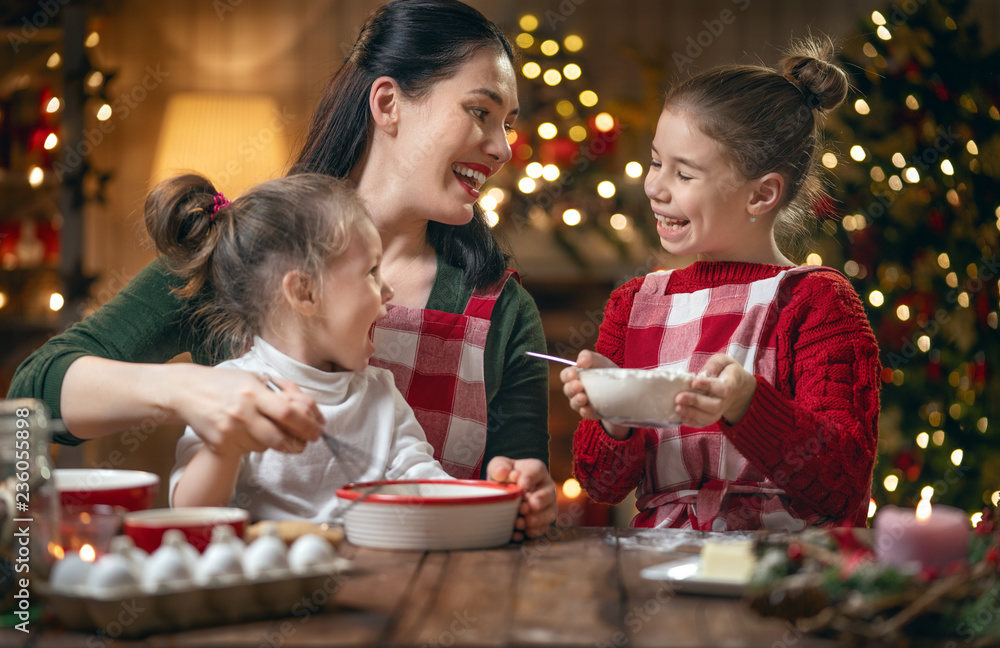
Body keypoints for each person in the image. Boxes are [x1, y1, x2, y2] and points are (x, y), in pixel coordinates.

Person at [8, 0, 556, 537]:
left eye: (508, 123)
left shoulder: (504, 310)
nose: (504, 148)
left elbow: (512, 495)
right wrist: (187, 391)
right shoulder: (245, 256)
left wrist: (526, 494)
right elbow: (34, 397)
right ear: (388, 104)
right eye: (480, 112)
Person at [560, 38, 881, 532]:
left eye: (684, 173)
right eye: (654, 162)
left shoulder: (816, 301)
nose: (654, 187)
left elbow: (843, 481)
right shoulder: (634, 305)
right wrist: (613, 413)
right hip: (661, 571)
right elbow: (600, 485)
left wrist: (748, 405)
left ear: (761, 194)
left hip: (776, 576)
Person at [159, 173, 523, 526]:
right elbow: (190, 511)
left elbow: (424, 481)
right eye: (370, 272)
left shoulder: (380, 393)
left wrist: (496, 499)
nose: (389, 291)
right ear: (304, 293)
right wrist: (225, 447)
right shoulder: (232, 389)